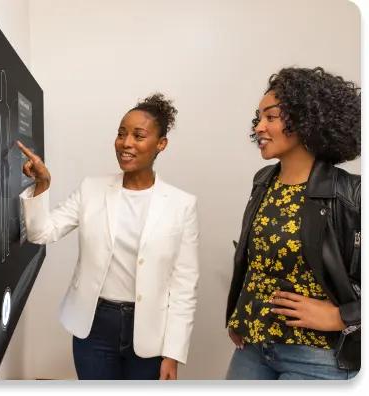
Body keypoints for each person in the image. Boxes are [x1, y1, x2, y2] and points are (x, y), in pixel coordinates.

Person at [18, 93, 199, 380]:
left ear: (161, 144)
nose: (126, 143)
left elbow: (184, 285)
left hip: (150, 330)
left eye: (138, 136)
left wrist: (173, 353)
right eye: (121, 134)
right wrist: (42, 184)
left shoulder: (181, 204)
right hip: (95, 326)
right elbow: (42, 232)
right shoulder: (92, 189)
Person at [225, 67, 361, 380]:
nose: (259, 127)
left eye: (270, 117)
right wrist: (241, 313)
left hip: (317, 356)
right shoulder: (263, 181)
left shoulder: (350, 194)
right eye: (257, 118)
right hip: (253, 347)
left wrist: (344, 316)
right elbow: (256, 260)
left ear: (306, 120)